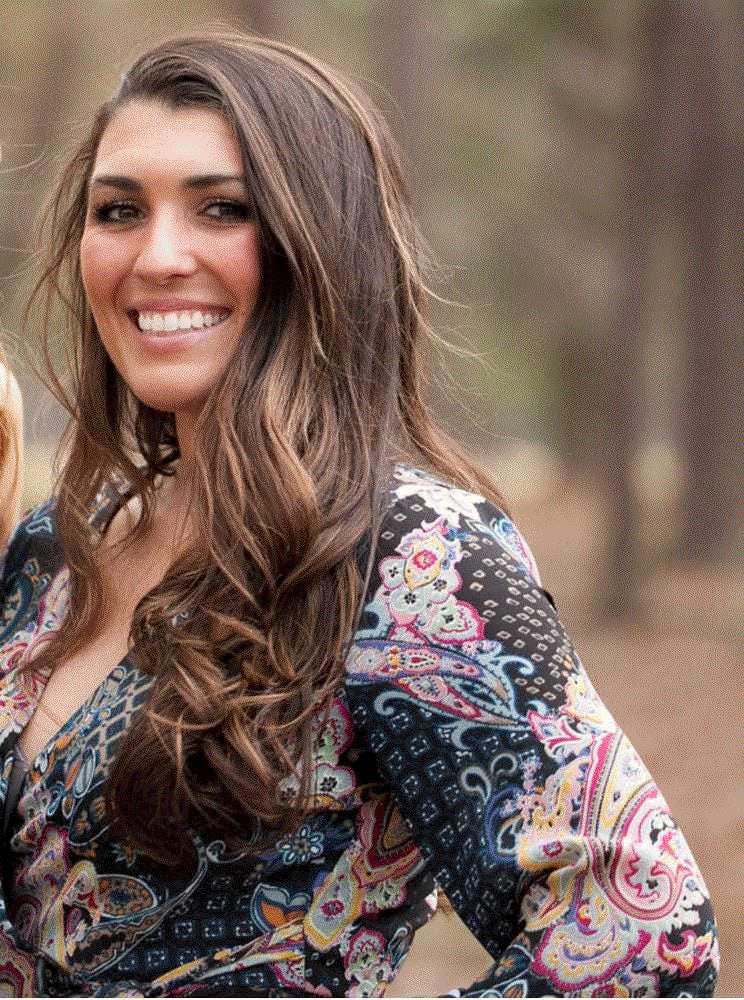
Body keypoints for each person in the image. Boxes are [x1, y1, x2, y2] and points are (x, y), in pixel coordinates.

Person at [0, 30, 718, 998]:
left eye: (223, 208)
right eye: (119, 209)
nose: (157, 254)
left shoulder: (411, 559)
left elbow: (642, 936)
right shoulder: (56, 548)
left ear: (319, 245)